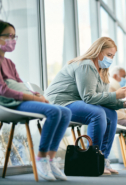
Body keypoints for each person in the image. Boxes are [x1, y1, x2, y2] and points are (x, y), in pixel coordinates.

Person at [45, 37, 126, 175]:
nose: (111, 59)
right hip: (60, 102)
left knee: (111, 114)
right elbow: (89, 97)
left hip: (76, 101)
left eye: (113, 56)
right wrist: (116, 95)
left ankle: (103, 160)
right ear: (98, 51)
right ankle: (92, 160)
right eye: (108, 55)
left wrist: (123, 103)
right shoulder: (86, 65)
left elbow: (100, 99)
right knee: (97, 113)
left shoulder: (102, 71)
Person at [0, 20, 71, 181]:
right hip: (8, 103)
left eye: (14, 36)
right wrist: (32, 97)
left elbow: (20, 84)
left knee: (65, 112)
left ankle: (50, 159)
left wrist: (37, 95)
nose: (13, 40)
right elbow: (3, 90)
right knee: (53, 111)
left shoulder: (9, 62)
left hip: (20, 99)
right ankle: (41, 157)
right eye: (8, 36)